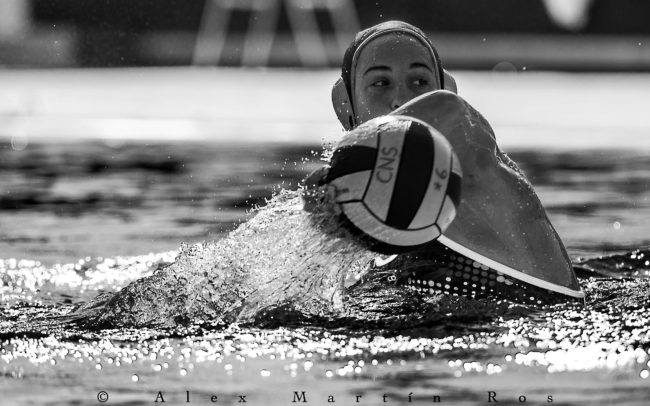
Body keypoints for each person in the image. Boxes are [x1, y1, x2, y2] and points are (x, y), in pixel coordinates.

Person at [306, 20, 585, 305]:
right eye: (380, 84)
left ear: (445, 90)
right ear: (346, 107)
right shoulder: (375, 222)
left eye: (420, 82)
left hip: (539, 318)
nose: (400, 98)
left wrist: (343, 171)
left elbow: (445, 110)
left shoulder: (471, 147)